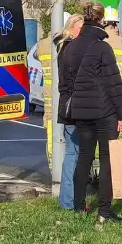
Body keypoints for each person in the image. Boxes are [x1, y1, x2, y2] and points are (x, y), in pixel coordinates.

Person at [58, 1, 122, 223]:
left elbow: (65, 84)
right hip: (104, 111)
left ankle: (79, 207)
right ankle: (104, 213)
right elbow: (113, 84)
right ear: (100, 20)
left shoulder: (70, 47)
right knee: (107, 160)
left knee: (84, 158)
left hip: (81, 113)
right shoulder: (102, 47)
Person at [33, 13, 84, 210]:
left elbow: (36, 56)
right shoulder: (73, 47)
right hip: (72, 105)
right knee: (74, 152)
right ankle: (70, 198)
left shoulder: (47, 44)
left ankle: (63, 194)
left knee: (63, 149)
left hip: (53, 102)